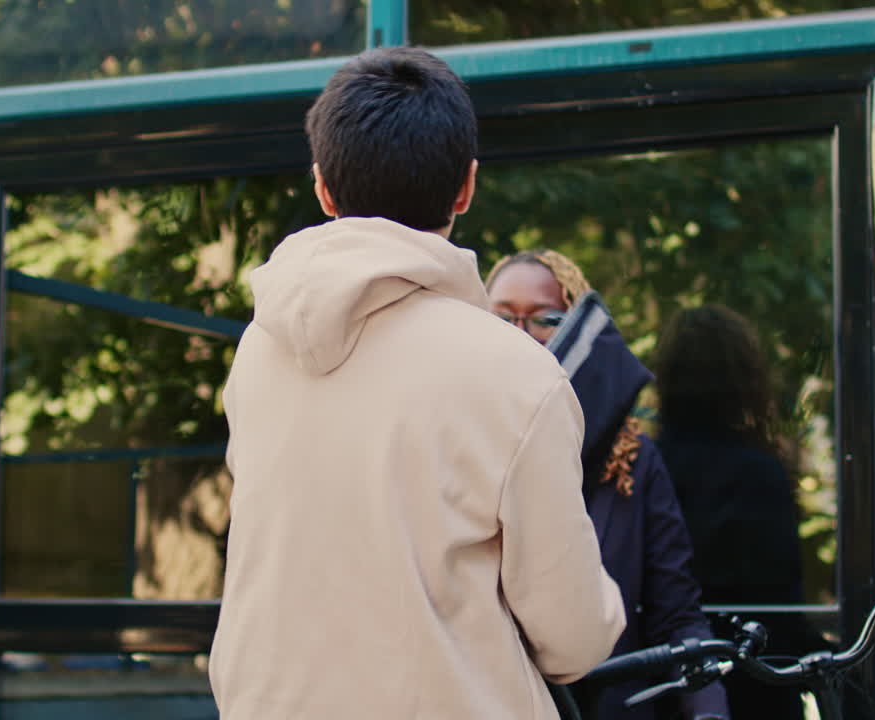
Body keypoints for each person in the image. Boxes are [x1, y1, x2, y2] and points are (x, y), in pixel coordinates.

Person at [208, 48, 626, 720]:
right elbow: (573, 638)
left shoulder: (261, 351)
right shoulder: (518, 374)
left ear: (323, 188)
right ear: (465, 187)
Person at [485, 249, 729, 720]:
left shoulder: (635, 462)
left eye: (546, 318)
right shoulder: (458, 448)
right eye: (502, 317)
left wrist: (709, 711)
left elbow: (676, 612)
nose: (521, 335)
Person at [655, 304, 811, 720]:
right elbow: (780, 600)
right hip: (753, 681)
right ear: (744, 377)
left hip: (668, 681)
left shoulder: (646, 466)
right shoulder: (757, 473)